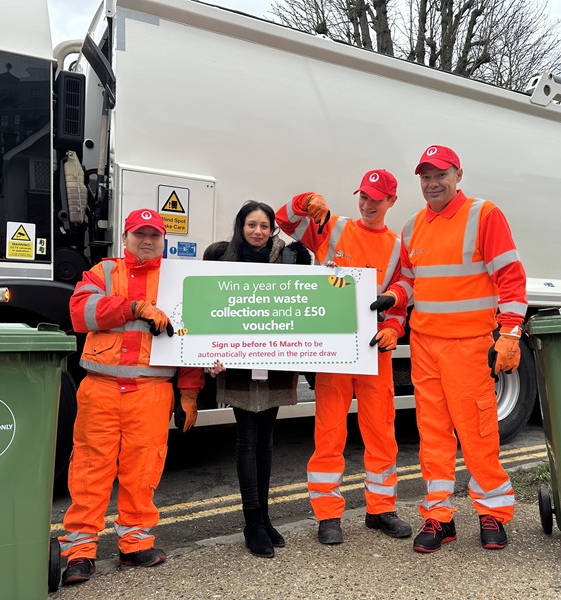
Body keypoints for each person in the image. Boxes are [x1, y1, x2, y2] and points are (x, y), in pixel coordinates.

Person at [386, 145, 527, 553]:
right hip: (426, 344)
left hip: (468, 344)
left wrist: (511, 333)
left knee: (477, 430)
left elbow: (511, 278)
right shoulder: (412, 227)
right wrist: (393, 297)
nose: (432, 184)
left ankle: (493, 513)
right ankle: (438, 516)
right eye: (425, 177)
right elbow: (410, 281)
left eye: (440, 175)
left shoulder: (484, 215)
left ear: (458, 174)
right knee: (432, 434)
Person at [59, 208, 205, 585]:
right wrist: (134, 307)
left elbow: (188, 339)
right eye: (139, 234)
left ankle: (135, 543)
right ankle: (79, 551)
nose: (147, 241)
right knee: (90, 471)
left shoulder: (177, 281)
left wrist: (189, 394)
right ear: (124, 238)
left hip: (151, 392)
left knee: (143, 473)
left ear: (163, 241)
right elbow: (80, 312)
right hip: (101, 389)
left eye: (154, 235)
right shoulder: (103, 273)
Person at [275, 170, 412, 545]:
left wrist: (394, 326)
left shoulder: (398, 246)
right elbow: (283, 219)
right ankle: (327, 516)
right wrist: (308, 200)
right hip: (333, 350)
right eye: (363, 197)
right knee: (329, 434)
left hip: (373, 351)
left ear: (391, 202)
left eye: (376, 199)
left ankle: (381, 510)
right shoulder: (331, 227)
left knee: (381, 433)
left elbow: (404, 289)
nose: (367, 205)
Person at [203, 200, 312, 558]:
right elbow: (207, 309)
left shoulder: (290, 258)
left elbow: (306, 302)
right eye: (251, 224)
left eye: (264, 226)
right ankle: (252, 521)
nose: (258, 232)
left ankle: (264, 517)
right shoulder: (221, 258)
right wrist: (207, 355)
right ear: (241, 226)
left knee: (266, 441)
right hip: (238, 366)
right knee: (247, 440)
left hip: (276, 362)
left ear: (272, 229)